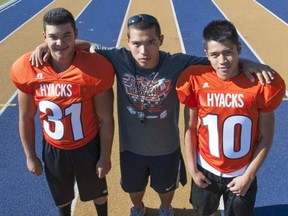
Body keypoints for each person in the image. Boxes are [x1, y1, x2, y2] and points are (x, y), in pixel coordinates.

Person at [30, 14, 275, 216]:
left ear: (160, 40)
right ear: (127, 42)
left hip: (166, 148)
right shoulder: (118, 57)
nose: (143, 50)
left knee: (165, 190)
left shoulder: (178, 62)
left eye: (150, 42)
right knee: (134, 190)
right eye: (136, 43)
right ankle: (138, 209)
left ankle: (166, 209)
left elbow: (218, 59)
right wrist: (46, 47)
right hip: (131, 148)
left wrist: (247, 63)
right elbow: (84, 45)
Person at [10, 8, 115, 216]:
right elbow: (25, 117)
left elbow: (106, 118)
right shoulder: (29, 68)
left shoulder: (93, 67)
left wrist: (104, 156)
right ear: (44, 37)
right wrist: (30, 156)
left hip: (87, 146)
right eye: (52, 37)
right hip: (54, 148)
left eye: (66, 35)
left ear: (75, 33)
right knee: (62, 198)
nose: (60, 43)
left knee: (98, 194)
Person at [176, 20, 285, 216]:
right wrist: (192, 170)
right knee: (203, 211)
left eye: (228, 52)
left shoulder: (260, 85)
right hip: (206, 167)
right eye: (215, 55)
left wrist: (248, 176)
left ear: (239, 48)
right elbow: (189, 128)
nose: (222, 61)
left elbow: (266, 137)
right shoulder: (196, 80)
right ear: (206, 55)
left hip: (241, 171)